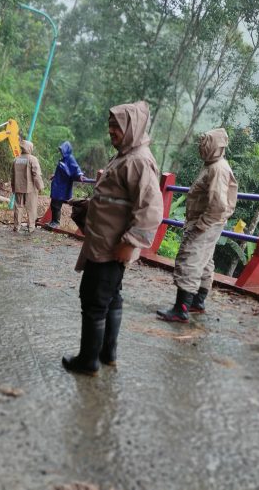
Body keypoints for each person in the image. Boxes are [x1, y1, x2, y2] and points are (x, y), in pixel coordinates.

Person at [63, 102, 163, 376]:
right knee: (111, 298)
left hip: (112, 247)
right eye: (110, 126)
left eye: (116, 126)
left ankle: (88, 361)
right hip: (105, 242)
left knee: (94, 300)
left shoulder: (138, 160)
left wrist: (130, 242)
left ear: (132, 127)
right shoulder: (125, 156)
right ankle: (107, 354)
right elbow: (116, 197)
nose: (111, 132)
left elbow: (151, 208)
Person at [157, 128, 238, 323]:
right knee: (204, 259)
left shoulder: (217, 168)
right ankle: (197, 302)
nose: (201, 147)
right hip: (210, 223)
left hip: (206, 223)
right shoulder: (213, 165)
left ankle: (181, 308)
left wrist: (201, 225)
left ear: (214, 146)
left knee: (190, 260)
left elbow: (218, 204)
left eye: (205, 144)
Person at [48, 141, 85, 228]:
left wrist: (80, 175)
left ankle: (56, 223)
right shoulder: (63, 159)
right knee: (54, 204)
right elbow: (63, 170)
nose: (61, 152)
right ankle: (53, 222)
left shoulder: (70, 158)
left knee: (57, 204)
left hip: (63, 186)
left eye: (62, 150)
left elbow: (75, 168)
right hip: (58, 185)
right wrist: (55, 175)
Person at [11, 140, 44, 233]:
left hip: (18, 188)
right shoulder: (32, 159)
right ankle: (31, 228)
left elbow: (12, 175)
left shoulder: (16, 159)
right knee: (31, 207)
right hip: (30, 189)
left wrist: (13, 187)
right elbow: (36, 174)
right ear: (29, 148)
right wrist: (40, 187)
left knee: (18, 207)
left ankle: (16, 227)